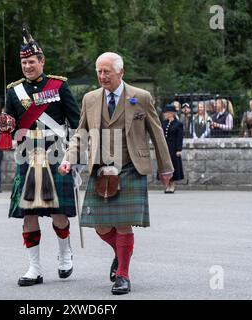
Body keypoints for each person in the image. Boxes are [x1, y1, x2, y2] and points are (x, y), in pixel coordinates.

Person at [59, 52, 173, 295]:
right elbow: (81, 133)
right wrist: (69, 158)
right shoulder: (90, 99)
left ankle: (123, 275)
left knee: (123, 225)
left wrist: (166, 167)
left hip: (130, 166)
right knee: (100, 226)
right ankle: (121, 255)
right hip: (101, 169)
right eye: (99, 71)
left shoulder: (140, 97)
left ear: (120, 72)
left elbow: (157, 133)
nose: (102, 76)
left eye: (107, 71)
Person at [6, 26, 80, 287]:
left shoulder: (59, 86)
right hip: (27, 157)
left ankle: (64, 255)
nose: (27, 66)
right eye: (24, 62)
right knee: (28, 215)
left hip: (55, 153)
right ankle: (34, 268)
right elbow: (11, 128)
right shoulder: (14, 91)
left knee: (58, 213)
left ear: (42, 61)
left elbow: (76, 121)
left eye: (32, 61)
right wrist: (6, 126)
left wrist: (76, 153)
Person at [160, 104, 184, 193]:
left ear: (171, 113)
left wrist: (179, 149)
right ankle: (167, 184)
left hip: (173, 148)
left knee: (173, 166)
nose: (164, 114)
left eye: (166, 112)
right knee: (165, 166)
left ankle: (172, 184)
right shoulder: (163, 123)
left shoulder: (178, 124)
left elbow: (179, 137)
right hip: (164, 147)